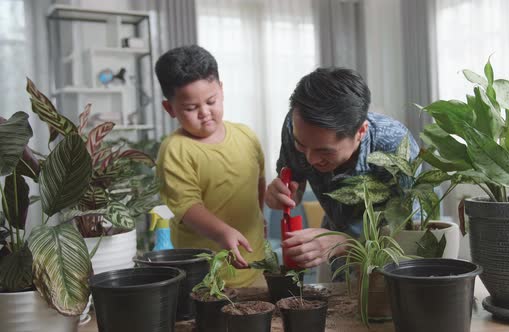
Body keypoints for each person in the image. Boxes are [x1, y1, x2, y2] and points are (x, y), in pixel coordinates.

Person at [265, 67, 419, 269]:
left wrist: (343, 242)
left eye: (325, 151)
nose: (310, 159)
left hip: (393, 261)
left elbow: (407, 235)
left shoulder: (395, 146)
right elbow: (295, 184)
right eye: (301, 146)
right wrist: (281, 196)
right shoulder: (297, 125)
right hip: (332, 245)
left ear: (360, 132)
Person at [155, 45, 266, 287]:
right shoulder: (175, 149)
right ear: (170, 108)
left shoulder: (246, 135)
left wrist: (259, 215)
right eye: (191, 108)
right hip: (205, 277)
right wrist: (222, 232)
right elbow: (185, 207)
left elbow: (258, 181)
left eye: (211, 101)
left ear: (222, 90)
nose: (205, 112)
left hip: (257, 266)